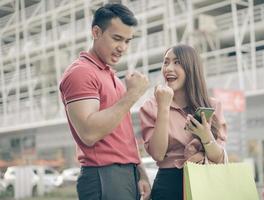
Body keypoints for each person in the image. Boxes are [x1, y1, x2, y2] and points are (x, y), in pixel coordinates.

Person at [59, 3, 151, 200]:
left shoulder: (111, 76)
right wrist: (132, 95)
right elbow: (89, 133)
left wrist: (140, 171)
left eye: (128, 41)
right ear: (96, 32)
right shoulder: (81, 72)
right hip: (103, 175)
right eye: (117, 38)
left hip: (125, 174)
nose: (123, 48)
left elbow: (122, 134)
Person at [139, 44, 228, 200]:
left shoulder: (212, 106)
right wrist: (164, 107)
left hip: (205, 182)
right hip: (169, 186)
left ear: (191, 68)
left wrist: (205, 135)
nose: (168, 68)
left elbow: (219, 158)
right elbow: (158, 154)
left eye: (177, 62)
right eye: (166, 62)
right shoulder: (152, 106)